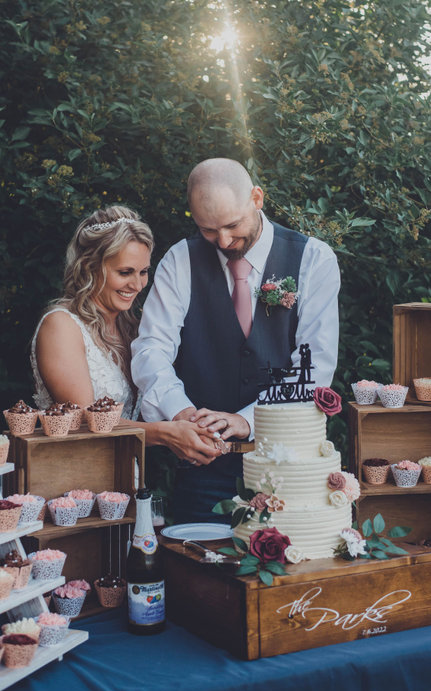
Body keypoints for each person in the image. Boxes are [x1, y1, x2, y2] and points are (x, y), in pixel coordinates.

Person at [131, 158, 340, 523]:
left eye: (232, 225)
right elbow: (151, 349)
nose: (224, 241)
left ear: (257, 198)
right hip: (203, 469)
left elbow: (314, 370)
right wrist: (182, 413)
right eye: (208, 230)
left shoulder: (313, 260)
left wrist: (247, 421)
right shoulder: (180, 260)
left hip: (287, 467)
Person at [30, 205, 220, 464]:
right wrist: (165, 434)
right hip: (71, 477)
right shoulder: (61, 326)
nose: (138, 285)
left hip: (124, 476)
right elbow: (86, 422)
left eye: (143, 272)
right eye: (125, 272)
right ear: (90, 267)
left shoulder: (133, 328)